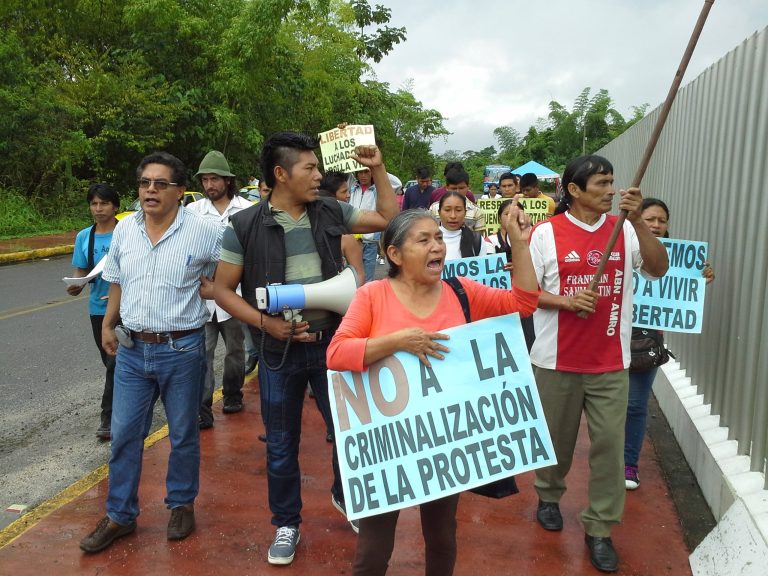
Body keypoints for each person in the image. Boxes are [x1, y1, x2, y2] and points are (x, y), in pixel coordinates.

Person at [213, 132, 398, 566]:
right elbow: (223, 290)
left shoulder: (331, 211)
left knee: (348, 433)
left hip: (333, 346)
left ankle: (345, 496)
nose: (318, 176)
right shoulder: (244, 227)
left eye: (317, 167)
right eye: (309, 169)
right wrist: (267, 325)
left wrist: (379, 168)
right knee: (280, 442)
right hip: (279, 355)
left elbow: (389, 218)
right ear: (281, 174)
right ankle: (286, 523)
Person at [326, 208, 539, 575]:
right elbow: (337, 353)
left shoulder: (461, 290)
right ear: (394, 254)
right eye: (423, 240)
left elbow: (524, 303)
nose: (436, 246)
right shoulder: (373, 295)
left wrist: (519, 245)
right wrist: (398, 341)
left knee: (441, 536)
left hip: (442, 443)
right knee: (373, 549)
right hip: (388, 445)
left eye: (438, 238)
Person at [528, 155, 668, 573]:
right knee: (556, 440)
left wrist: (639, 222)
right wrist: (565, 301)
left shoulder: (624, 230)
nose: (612, 190)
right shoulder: (545, 234)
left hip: (610, 361)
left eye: (613, 182)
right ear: (574, 190)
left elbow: (658, 269)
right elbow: (524, 292)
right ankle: (549, 495)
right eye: (602, 184)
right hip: (555, 359)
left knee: (609, 446)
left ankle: (601, 526)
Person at [79, 151, 222, 553]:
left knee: (183, 433)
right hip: (132, 350)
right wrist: (109, 322)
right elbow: (117, 279)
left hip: (183, 348)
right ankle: (120, 515)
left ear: (179, 191)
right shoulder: (125, 230)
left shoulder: (204, 232)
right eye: (145, 183)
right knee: (124, 435)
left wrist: (217, 292)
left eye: (160, 184)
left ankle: (180, 504)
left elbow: (228, 269)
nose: (151, 190)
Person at [624, 198, 715, 490]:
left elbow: (683, 291)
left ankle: (628, 464)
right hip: (611, 335)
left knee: (636, 404)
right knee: (609, 404)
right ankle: (607, 457)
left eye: (661, 220)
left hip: (648, 341)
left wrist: (699, 278)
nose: (656, 225)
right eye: (649, 219)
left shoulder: (677, 256)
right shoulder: (620, 246)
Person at [187, 150, 252, 424]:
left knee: (236, 351)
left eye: (215, 179)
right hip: (201, 296)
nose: (209, 185)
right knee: (202, 351)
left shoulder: (247, 211)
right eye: (205, 180)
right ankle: (202, 408)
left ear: (228, 180)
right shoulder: (192, 212)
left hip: (234, 295)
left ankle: (233, 394)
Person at [66, 183, 121, 440]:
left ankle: (108, 418)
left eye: (104, 204)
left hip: (126, 307)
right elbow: (81, 272)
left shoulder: (127, 232)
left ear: (115, 207)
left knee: (115, 362)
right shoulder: (84, 237)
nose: (98, 209)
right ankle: (134, 396)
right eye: (94, 204)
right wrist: (75, 285)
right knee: (110, 361)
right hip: (98, 309)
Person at [319, 171, 365, 283]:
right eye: (344, 191)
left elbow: (359, 275)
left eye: (348, 191)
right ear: (330, 197)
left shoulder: (346, 238)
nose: (348, 195)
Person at [438, 191, 488, 260]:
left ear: (465, 212)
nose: (453, 216)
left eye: (458, 210)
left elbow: (483, 268)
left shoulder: (477, 240)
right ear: (439, 212)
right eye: (447, 210)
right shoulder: (427, 240)